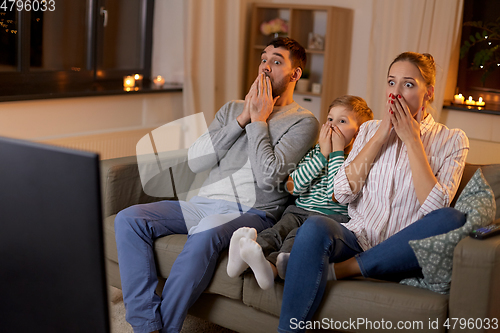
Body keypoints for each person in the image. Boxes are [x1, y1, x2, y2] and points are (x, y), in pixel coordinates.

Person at [113, 37, 319, 333]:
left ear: (295, 74)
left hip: (253, 210)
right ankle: (146, 325)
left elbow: (269, 178)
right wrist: (243, 118)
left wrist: (259, 121)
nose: (265, 67)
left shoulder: (303, 122)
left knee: (207, 229)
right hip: (202, 203)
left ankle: (165, 328)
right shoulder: (231, 109)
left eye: (276, 62)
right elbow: (196, 162)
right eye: (263, 59)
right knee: (129, 219)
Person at [277, 52, 470, 333]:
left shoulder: (452, 140)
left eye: (408, 84)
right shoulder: (367, 130)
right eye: (392, 83)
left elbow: (435, 212)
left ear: (428, 92)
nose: (396, 93)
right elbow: (341, 193)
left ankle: (345, 270)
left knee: (452, 218)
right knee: (315, 224)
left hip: (403, 251)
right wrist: (382, 135)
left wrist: (412, 141)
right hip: (358, 238)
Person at [226, 95, 373, 290]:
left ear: (358, 134)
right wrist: (322, 155)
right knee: (274, 233)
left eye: (342, 121)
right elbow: (293, 187)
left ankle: (272, 271)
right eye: (330, 119)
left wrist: (337, 152)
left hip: (327, 221)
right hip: (298, 211)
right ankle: (243, 261)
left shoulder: (355, 162)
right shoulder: (315, 153)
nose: (332, 126)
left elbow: (336, 193)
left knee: (295, 238)